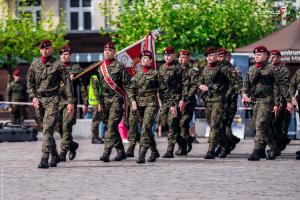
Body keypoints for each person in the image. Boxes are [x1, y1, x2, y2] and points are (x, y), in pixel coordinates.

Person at [27, 39, 74, 168]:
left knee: (48, 128)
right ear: (40, 50)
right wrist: (33, 97)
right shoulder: (34, 64)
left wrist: (70, 101)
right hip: (39, 101)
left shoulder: (58, 64)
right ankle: (54, 154)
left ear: (51, 49)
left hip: (52, 100)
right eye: (42, 49)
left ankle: (44, 158)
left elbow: (68, 84)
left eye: (47, 48)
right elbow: (29, 83)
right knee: (45, 130)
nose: (45, 51)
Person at [242, 46, 280, 161]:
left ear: (266, 56)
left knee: (260, 124)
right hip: (255, 101)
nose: (257, 56)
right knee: (262, 126)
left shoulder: (272, 68)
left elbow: (278, 86)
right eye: (256, 55)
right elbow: (246, 83)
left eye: (260, 55)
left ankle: (256, 151)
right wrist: (244, 95)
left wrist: (277, 103)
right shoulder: (252, 68)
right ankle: (274, 147)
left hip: (267, 100)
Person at [96, 42, 131, 162]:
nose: (107, 52)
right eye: (105, 50)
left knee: (111, 126)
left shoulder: (120, 66)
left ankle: (106, 152)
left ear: (114, 52)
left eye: (110, 50)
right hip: (104, 101)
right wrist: (99, 102)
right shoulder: (100, 68)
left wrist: (131, 101)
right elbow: (99, 86)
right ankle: (121, 151)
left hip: (116, 99)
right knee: (111, 127)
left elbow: (128, 85)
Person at [127, 50, 160, 163]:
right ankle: (154, 151)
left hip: (151, 103)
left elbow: (163, 90)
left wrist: (169, 105)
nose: (144, 60)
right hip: (139, 105)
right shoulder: (137, 75)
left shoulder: (156, 74)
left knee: (145, 127)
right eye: (142, 59)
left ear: (151, 60)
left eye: (146, 58)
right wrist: (133, 101)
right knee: (145, 129)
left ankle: (142, 154)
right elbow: (131, 89)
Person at [198, 47, 232, 159]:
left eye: (211, 55)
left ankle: (210, 150)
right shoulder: (205, 69)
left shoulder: (223, 69)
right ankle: (224, 145)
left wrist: (228, 96)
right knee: (216, 126)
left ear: (217, 56)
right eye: (207, 56)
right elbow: (201, 81)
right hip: (208, 101)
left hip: (219, 100)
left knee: (214, 125)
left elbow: (234, 82)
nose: (209, 58)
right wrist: (201, 86)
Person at [57, 45, 88, 162]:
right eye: (62, 54)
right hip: (57, 102)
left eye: (66, 54)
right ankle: (72, 145)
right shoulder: (56, 68)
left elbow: (83, 87)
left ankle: (62, 153)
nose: (64, 56)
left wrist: (85, 103)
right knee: (59, 127)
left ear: (70, 55)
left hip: (70, 102)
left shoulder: (75, 68)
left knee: (66, 127)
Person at [159, 46, 183, 158]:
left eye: (168, 55)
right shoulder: (161, 68)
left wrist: (177, 103)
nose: (166, 57)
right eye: (165, 55)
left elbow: (183, 86)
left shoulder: (178, 68)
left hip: (175, 100)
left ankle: (170, 150)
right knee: (165, 124)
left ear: (174, 55)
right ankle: (182, 143)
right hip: (164, 101)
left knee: (173, 124)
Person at [217, 49, 242, 156]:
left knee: (224, 125)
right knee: (218, 125)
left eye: (222, 56)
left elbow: (237, 85)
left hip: (229, 102)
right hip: (217, 102)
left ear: (228, 57)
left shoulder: (233, 70)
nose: (219, 58)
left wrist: (227, 95)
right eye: (218, 56)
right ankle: (229, 142)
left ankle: (224, 146)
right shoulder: (216, 68)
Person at [176, 50, 199, 156]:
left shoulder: (192, 71)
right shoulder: (175, 70)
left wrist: (185, 100)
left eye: (184, 57)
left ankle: (183, 147)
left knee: (183, 123)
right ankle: (188, 139)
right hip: (175, 101)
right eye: (180, 57)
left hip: (188, 103)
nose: (181, 59)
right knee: (174, 124)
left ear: (188, 58)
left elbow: (194, 86)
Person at [269, 49, 291, 152]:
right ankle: (279, 143)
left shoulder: (284, 70)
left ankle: (281, 142)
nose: (272, 58)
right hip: (270, 100)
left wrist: (281, 102)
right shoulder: (269, 69)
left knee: (279, 125)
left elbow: (284, 86)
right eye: (271, 56)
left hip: (281, 101)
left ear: (279, 57)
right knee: (270, 125)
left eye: (274, 57)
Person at [89, 74, 105, 144]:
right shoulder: (95, 77)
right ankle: (95, 137)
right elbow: (96, 92)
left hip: (97, 102)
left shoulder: (96, 77)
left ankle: (96, 137)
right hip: (96, 102)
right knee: (96, 120)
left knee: (97, 120)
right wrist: (99, 103)